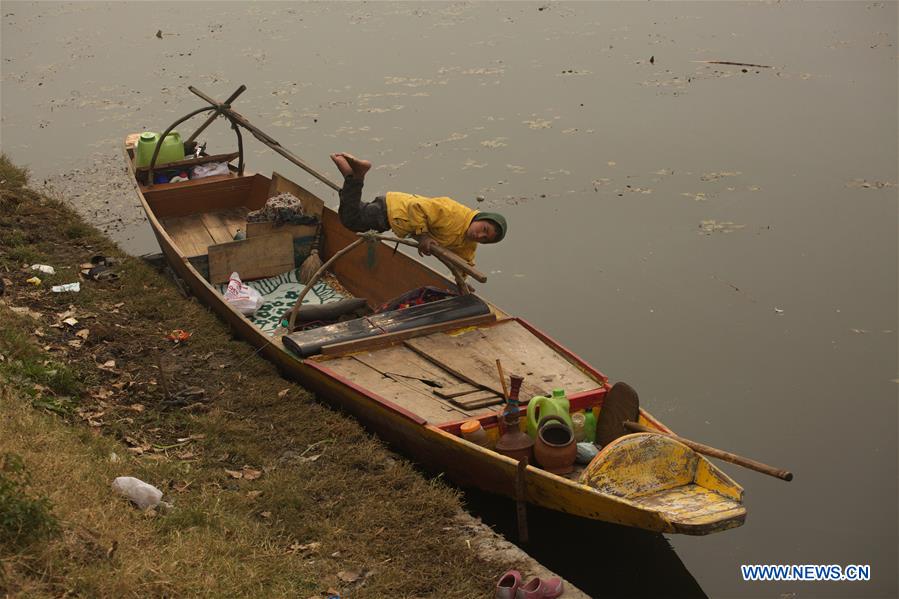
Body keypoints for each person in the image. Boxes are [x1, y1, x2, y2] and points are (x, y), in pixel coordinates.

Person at [330, 152, 507, 265]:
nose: (480, 236)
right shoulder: (451, 213)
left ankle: (351, 176)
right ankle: (356, 175)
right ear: (480, 218)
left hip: (394, 216)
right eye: (484, 229)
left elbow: (464, 262)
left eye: (485, 239)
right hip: (392, 211)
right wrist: (423, 237)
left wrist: (464, 282)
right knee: (352, 220)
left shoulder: (468, 243)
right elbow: (416, 207)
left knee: (355, 210)